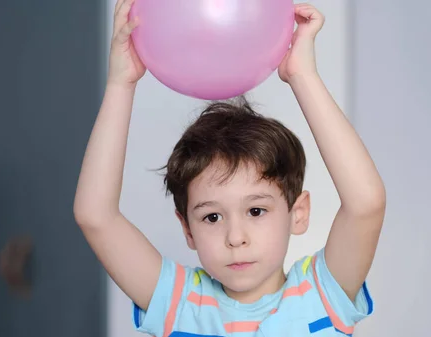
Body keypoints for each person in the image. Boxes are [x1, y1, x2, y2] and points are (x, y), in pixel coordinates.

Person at [73, 0, 386, 335]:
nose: (235, 238)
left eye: (256, 210)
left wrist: (302, 76)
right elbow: (96, 216)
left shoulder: (322, 295)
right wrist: (121, 85)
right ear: (188, 230)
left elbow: (366, 204)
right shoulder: (179, 303)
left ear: (298, 213)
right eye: (212, 217)